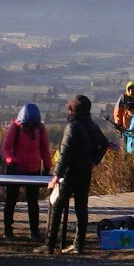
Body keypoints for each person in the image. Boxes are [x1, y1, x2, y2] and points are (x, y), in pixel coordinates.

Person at [45, 96, 108, 252]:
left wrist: (56, 176)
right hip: (85, 172)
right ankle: (79, 244)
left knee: (56, 206)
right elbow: (105, 143)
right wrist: (94, 161)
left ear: (72, 110)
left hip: (69, 173)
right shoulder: (93, 126)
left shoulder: (72, 127)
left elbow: (64, 153)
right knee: (81, 208)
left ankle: (49, 244)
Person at [0, 103, 51, 240]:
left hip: (33, 169)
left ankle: (35, 231)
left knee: (33, 202)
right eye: (26, 125)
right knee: (11, 200)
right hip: (16, 169)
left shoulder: (40, 129)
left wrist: (47, 166)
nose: (28, 128)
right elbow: (6, 149)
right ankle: (8, 229)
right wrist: (11, 161)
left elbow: (44, 148)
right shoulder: (15, 128)